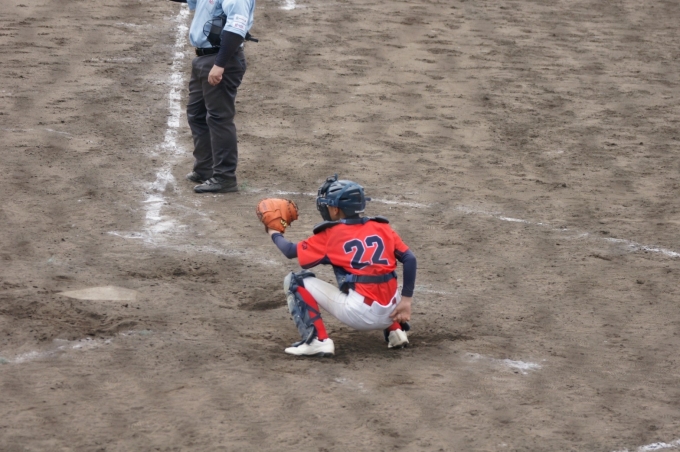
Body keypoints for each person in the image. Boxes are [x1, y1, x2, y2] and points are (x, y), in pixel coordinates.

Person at [266, 175, 417, 357]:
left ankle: (317, 341)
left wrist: (273, 231)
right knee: (371, 271)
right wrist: (406, 301)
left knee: (295, 281)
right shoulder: (382, 227)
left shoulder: (332, 234)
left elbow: (290, 250)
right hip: (394, 311)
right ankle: (396, 331)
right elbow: (410, 259)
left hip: (360, 315)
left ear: (336, 209)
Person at [178, 0, 256, 193]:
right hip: (203, 59)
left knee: (219, 118)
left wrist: (220, 65)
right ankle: (205, 169)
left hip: (221, 60)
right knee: (196, 114)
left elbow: (236, 29)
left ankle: (224, 177)